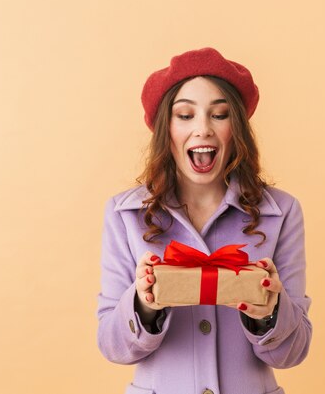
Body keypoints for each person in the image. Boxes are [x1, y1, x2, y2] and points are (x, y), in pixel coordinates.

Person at [96, 47, 312, 394]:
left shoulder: (282, 213)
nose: (203, 130)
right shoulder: (124, 215)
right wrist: (143, 304)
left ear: (236, 128)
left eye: (220, 115)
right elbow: (111, 346)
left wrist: (270, 312)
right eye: (185, 115)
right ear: (166, 129)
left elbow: (292, 353)